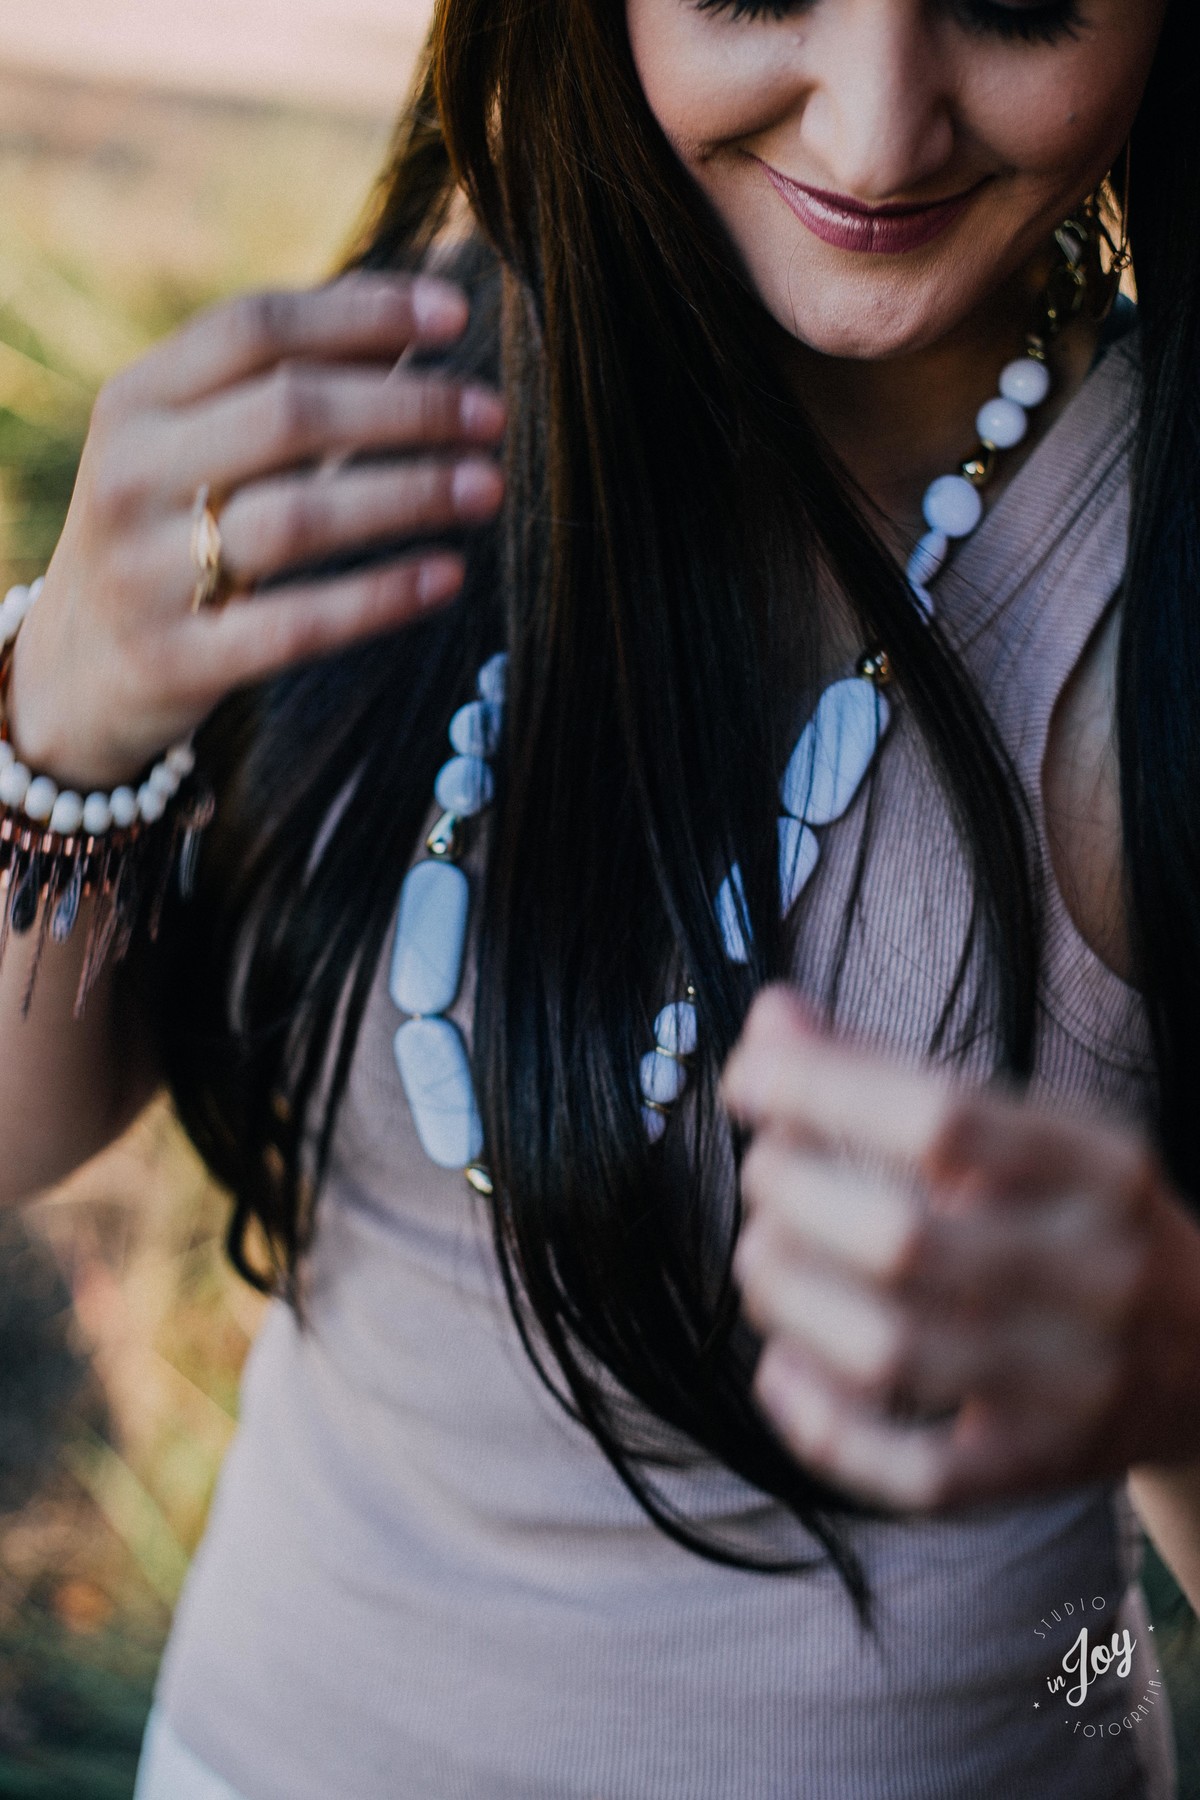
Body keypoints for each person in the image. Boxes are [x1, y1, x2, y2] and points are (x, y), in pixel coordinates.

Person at [1, 0, 1198, 1793]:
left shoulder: (1146, 609)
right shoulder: (382, 408)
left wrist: (1174, 1370)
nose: (875, 136)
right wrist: (65, 720)